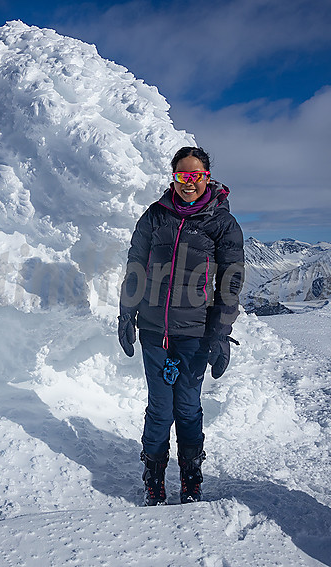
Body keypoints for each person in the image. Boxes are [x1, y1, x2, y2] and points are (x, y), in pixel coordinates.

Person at [118, 146, 244, 505]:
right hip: (154, 329)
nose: (189, 183)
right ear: (173, 177)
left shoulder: (221, 223)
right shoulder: (155, 217)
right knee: (160, 407)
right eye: (182, 176)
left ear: (208, 177)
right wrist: (126, 314)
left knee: (187, 406)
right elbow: (135, 267)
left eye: (196, 176)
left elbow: (231, 281)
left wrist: (220, 332)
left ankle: (191, 477)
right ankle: (153, 476)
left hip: (196, 332)